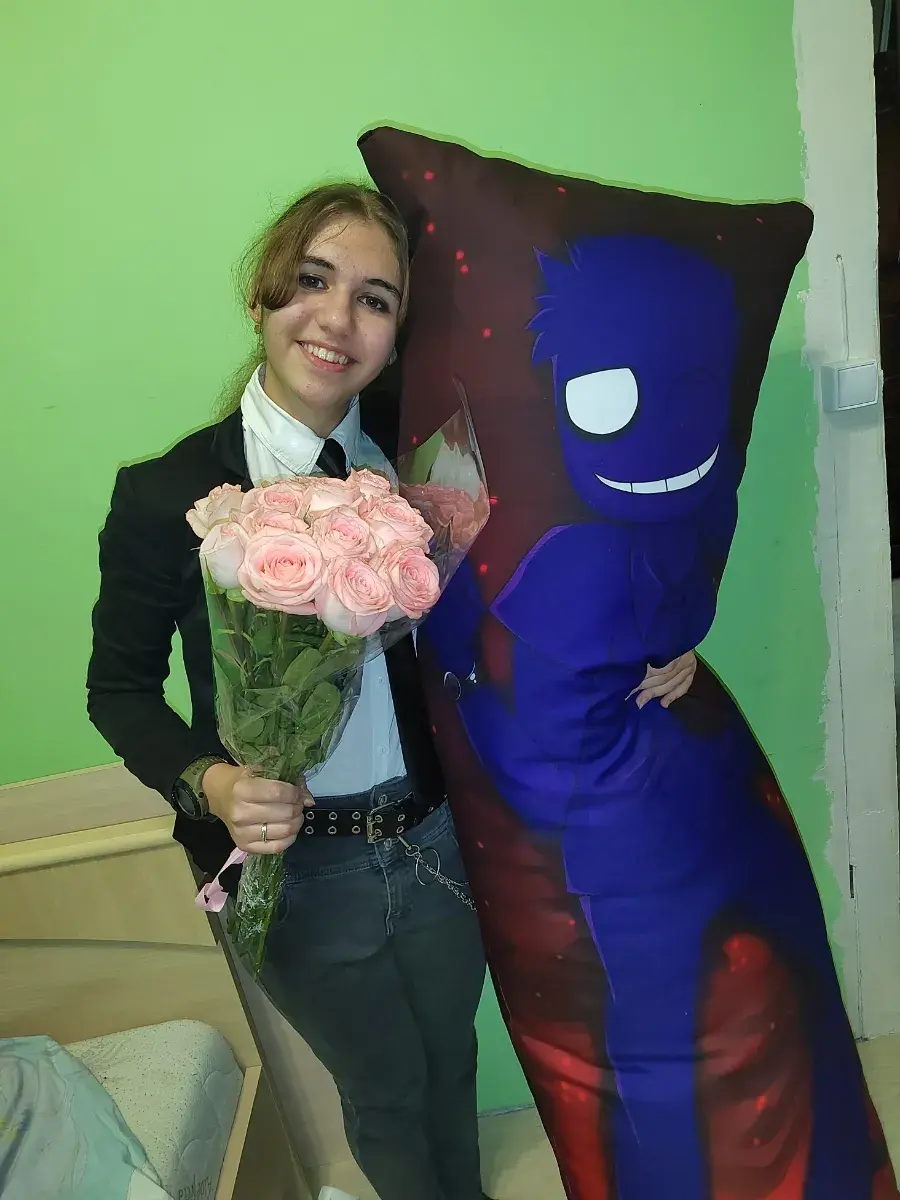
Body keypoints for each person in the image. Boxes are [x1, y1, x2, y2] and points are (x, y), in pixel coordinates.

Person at [86, 181, 697, 1200]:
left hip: (437, 838)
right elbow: (118, 690)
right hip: (298, 869)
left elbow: (544, 573)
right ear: (262, 295)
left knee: (451, 1061)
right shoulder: (168, 494)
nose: (337, 319)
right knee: (383, 1093)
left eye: (375, 299)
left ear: (399, 329)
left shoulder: (426, 458)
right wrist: (214, 783)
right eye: (312, 281)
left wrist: (653, 643)